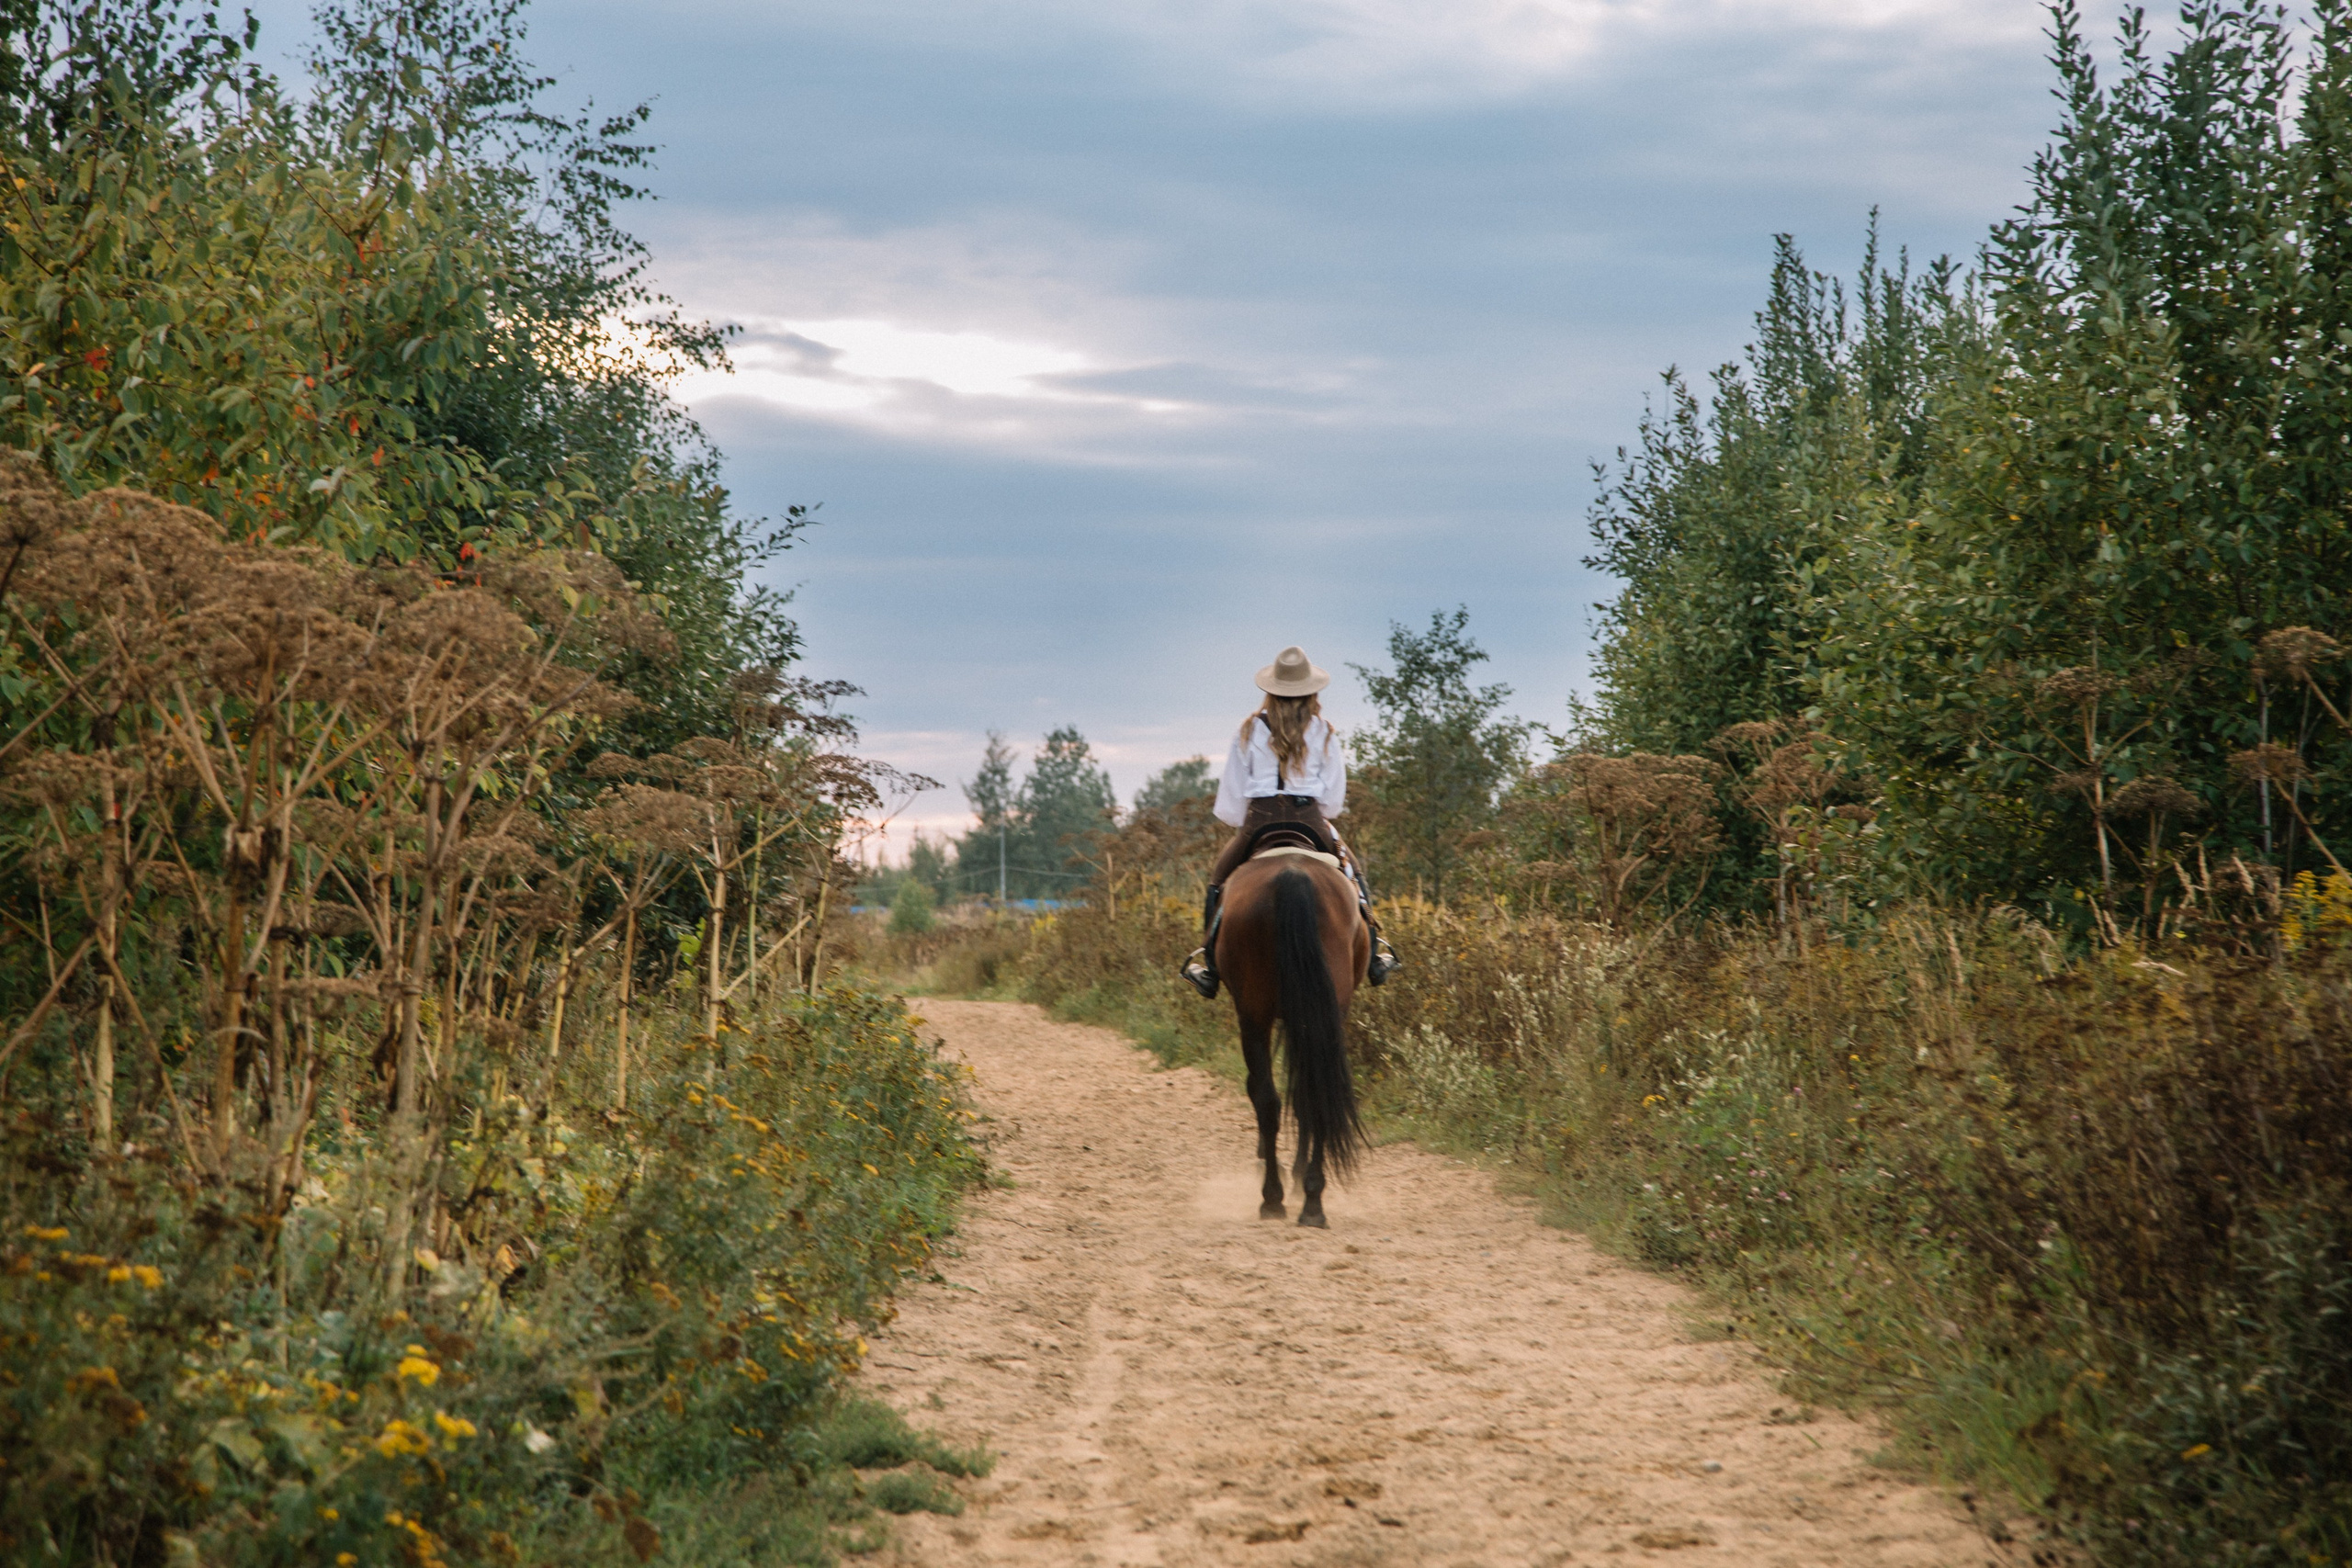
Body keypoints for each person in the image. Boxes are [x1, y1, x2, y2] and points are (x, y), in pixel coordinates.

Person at [1181, 645, 1400, 999]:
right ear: (1312, 691)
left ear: (1271, 690)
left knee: (1219, 879)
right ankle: (1376, 952)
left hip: (1258, 822)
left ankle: (1207, 960)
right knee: (1355, 876)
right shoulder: (1324, 732)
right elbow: (1332, 802)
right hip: (1311, 821)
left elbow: (1231, 806)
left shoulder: (1249, 730)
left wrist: (1254, 814)